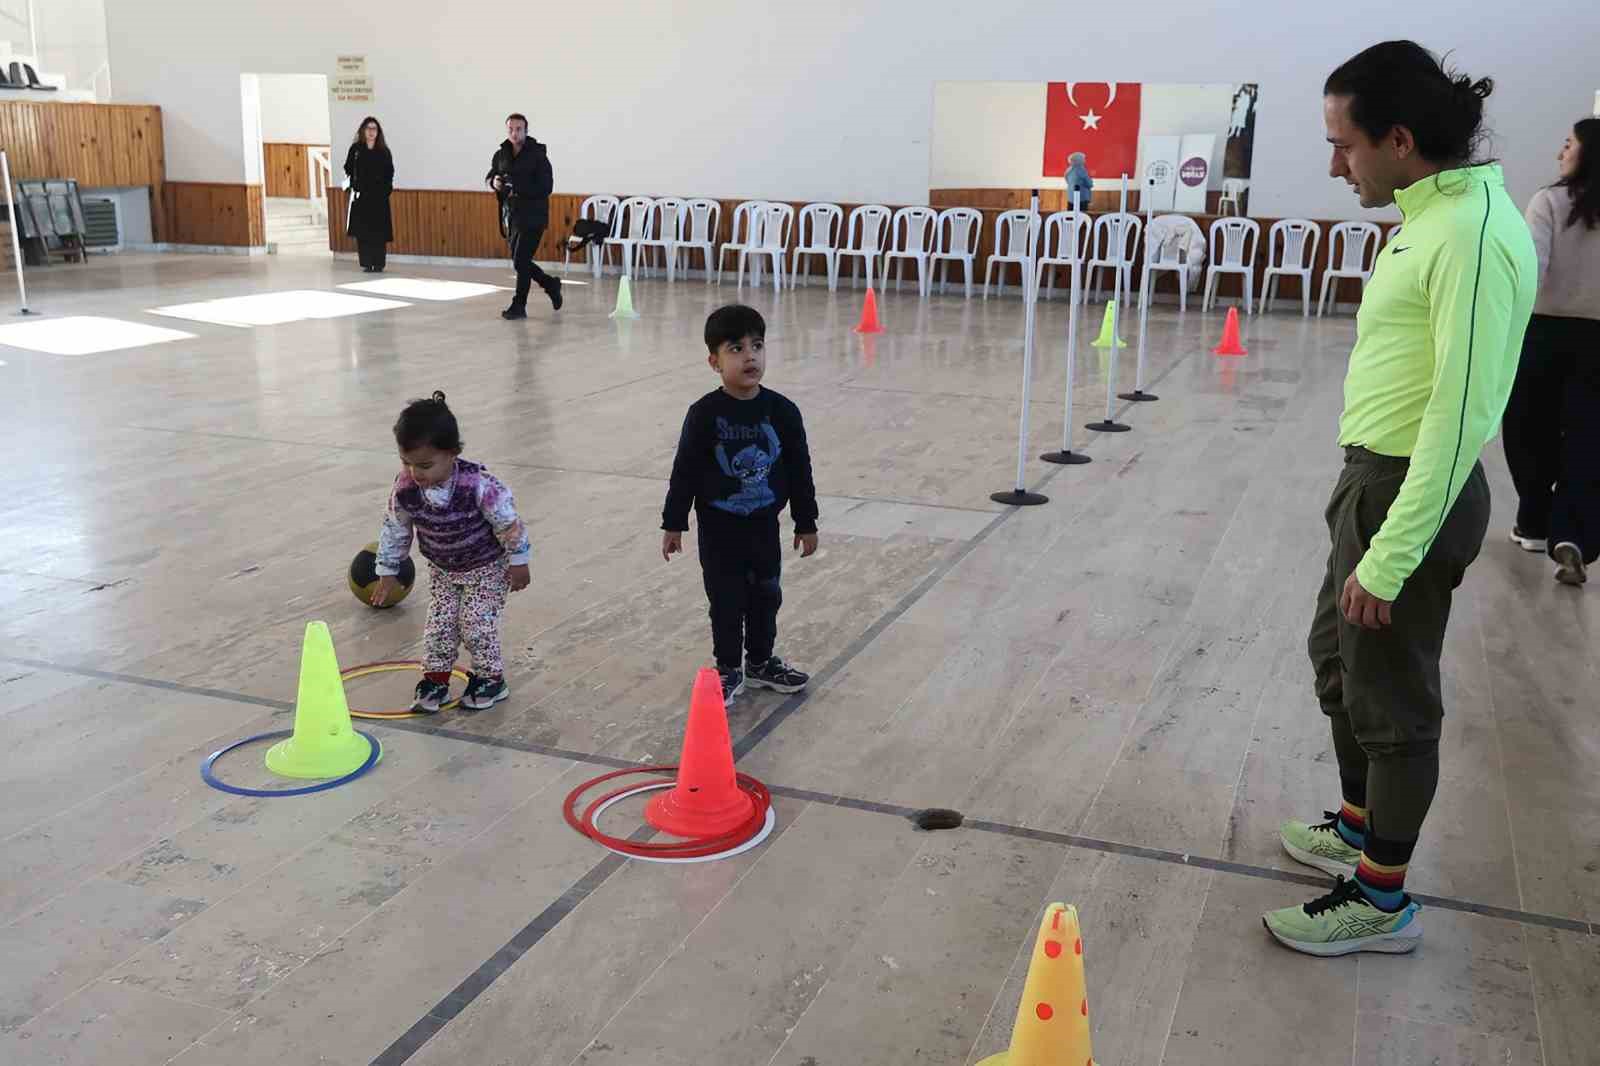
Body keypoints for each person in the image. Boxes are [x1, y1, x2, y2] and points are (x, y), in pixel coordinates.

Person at [1263, 41, 1537, 957]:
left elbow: (1463, 416)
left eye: (1343, 145)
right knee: (1338, 661)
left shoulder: (1470, 234)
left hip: (1413, 489)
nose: (1335, 165)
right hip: (1374, 480)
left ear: (1400, 139)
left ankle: (1380, 901)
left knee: (1392, 701)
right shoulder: (1434, 216)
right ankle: (1358, 824)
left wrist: (1392, 554)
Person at [661, 305, 819, 704]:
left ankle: (761, 661)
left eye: (757, 345)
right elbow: (685, 471)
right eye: (736, 348)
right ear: (714, 362)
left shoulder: (782, 412)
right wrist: (673, 522)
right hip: (718, 529)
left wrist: (806, 521)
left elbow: (800, 469)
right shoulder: (704, 414)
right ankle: (729, 667)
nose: (750, 356)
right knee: (726, 599)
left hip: (764, 526)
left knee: (767, 595)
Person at [372, 392, 531, 712]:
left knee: (475, 623)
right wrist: (387, 570)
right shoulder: (405, 489)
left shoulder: (478, 485)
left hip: (487, 568)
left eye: (425, 465)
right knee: (439, 625)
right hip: (443, 571)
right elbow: (395, 527)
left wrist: (518, 560)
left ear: (453, 453)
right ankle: (435, 680)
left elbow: (508, 523)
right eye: (406, 462)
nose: (415, 473)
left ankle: (490, 678)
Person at [1501, 118, 1600, 586]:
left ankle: (1534, 521)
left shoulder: (1549, 201)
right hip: (1597, 340)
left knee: (1526, 428)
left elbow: (1531, 271)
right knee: (1587, 438)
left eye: (1568, 144)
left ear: (1587, 153)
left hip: (1543, 333)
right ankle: (1574, 535)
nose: (1561, 152)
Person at [486, 113, 561, 320]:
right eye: (510, 129)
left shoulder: (538, 155)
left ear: (526, 131)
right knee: (521, 261)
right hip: (512, 216)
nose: (514, 133)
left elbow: (546, 187)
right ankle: (550, 284)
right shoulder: (501, 154)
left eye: (518, 129)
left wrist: (517, 186)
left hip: (534, 216)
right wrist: (495, 183)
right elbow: (492, 175)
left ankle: (519, 305)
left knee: (520, 260)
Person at [344, 116, 394, 273]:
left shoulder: (384, 151)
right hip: (362, 197)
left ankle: (378, 263)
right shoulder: (356, 150)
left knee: (378, 232)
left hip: (379, 198)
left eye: (374, 129)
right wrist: (354, 184)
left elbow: (390, 172)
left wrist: (386, 190)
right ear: (363, 130)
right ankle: (366, 263)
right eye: (368, 128)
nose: (371, 132)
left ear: (378, 132)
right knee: (363, 232)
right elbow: (348, 168)